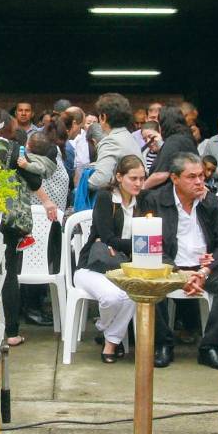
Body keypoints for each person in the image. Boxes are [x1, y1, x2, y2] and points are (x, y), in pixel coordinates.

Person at [136, 152, 218, 369]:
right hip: (169, 267)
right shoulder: (155, 200)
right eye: (191, 177)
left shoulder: (210, 202)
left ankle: (210, 347)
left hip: (204, 269)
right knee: (149, 279)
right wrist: (178, 272)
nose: (199, 182)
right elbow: (148, 245)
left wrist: (206, 270)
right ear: (175, 178)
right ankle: (162, 344)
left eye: (201, 176)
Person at [77, 154, 143, 362]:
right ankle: (104, 328)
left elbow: (145, 236)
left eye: (142, 178)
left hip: (125, 267)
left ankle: (111, 342)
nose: (138, 183)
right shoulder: (106, 198)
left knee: (133, 294)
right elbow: (107, 237)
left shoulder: (142, 200)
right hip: (94, 266)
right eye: (133, 178)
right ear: (119, 177)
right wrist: (137, 245)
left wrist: (121, 244)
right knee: (112, 297)